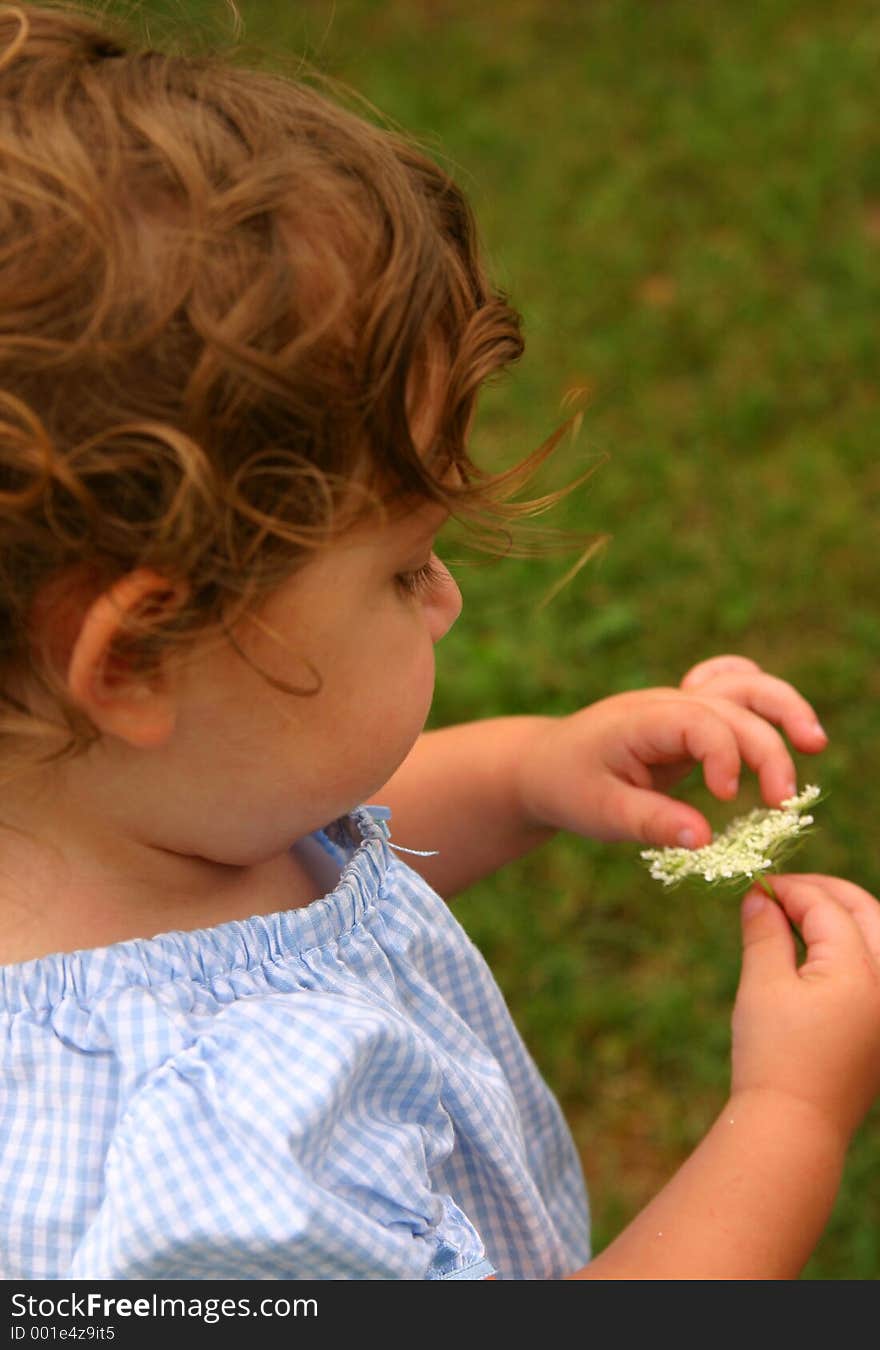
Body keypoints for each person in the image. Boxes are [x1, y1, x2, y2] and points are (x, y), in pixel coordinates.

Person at [0, 2, 878, 1282]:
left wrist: (531, 772)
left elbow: (288, 856)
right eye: (403, 566)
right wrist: (788, 1120)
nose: (446, 598)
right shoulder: (232, 1181)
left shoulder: (101, 804)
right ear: (135, 659)